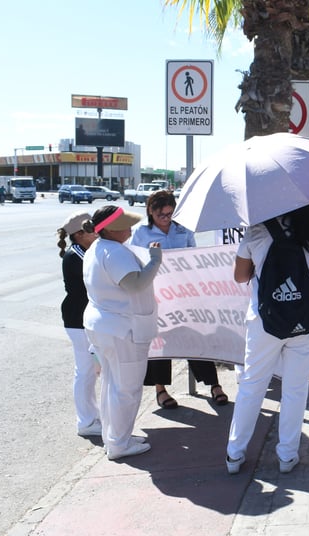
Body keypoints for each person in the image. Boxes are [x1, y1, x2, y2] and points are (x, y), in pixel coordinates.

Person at [226, 205, 309, 475]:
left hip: (263, 321)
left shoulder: (256, 231)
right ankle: (287, 455)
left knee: (252, 385)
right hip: (306, 321)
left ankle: (234, 454)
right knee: (295, 389)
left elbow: (240, 276)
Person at [130, 190, 228, 408]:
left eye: (169, 214)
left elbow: (194, 257)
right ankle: (161, 389)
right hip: (157, 295)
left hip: (185, 294)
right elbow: (135, 263)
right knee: (160, 341)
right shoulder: (140, 233)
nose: (166, 218)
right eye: (161, 215)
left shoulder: (183, 229)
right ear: (151, 212)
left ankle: (213, 384)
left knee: (197, 338)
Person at [83, 205, 162, 460]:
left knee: (112, 384)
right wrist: (154, 262)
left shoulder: (97, 248)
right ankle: (119, 444)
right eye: (123, 225)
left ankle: (115, 437)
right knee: (126, 389)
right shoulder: (114, 252)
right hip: (121, 330)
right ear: (108, 229)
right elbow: (136, 284)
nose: (129, 228)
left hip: (104, 326)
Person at [57, 211, 101, 437]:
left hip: (83, 319)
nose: (96, 231)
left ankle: (92, 416)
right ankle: (86, 422)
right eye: (91, 228)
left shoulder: (86, 250)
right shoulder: (76, 255)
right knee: (84, 371)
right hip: (77, 320)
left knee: (90, 370)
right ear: (79, 233)